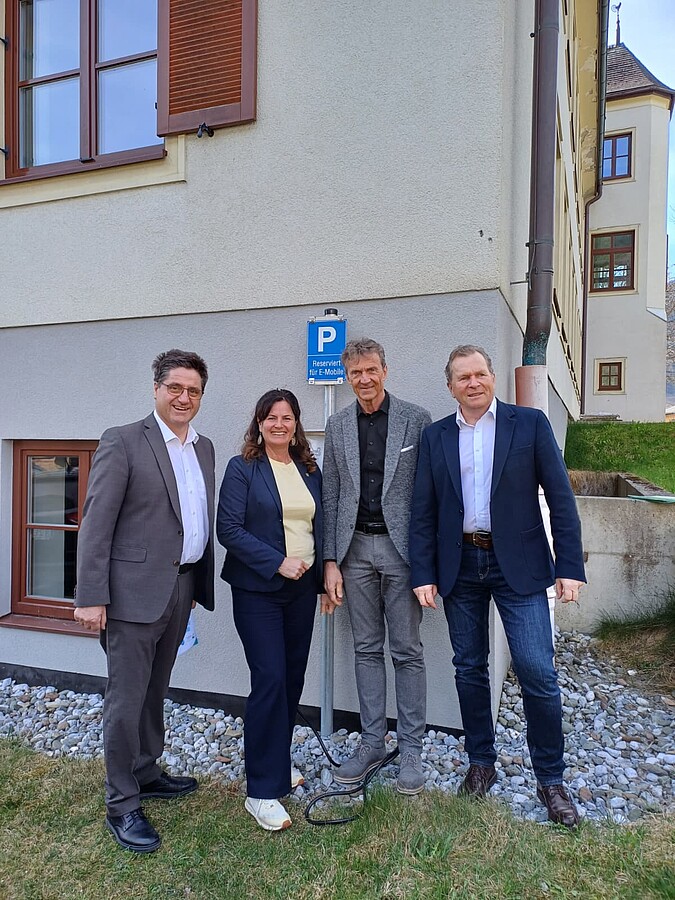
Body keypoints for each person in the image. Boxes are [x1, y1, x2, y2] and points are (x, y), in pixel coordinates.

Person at [409, 345, 586, 827]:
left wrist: (569, 566)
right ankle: (481, 764)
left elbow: (561, 498)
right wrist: (423, 573)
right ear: (450, 386)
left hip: (520, 566)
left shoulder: (528, 425)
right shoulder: (435, 436)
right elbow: (423, 511)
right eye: (463, 377)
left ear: (492, 377)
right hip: (460, 564)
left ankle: (551, 780)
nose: (473, 383)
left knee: (537, 671)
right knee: (469, 668)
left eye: (480, 374)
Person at [74, 349, 215, 853]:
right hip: (131, 595)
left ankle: (146, 770)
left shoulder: (203, 447)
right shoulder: (124, 440)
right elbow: (96, 522)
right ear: (156, 389)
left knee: (156, 689)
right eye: (175, 387)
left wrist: (195, 587)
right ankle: (122, 803)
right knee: (126, 698)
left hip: (181, 588)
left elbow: (191, 519)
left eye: (193, 390)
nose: (183, 397)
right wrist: (91, 596)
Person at [322, 338, 432, 794]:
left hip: (400, 551)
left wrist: (427, 563)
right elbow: (330, 494)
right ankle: (371, 742)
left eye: (371, 370)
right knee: (366, 648)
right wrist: (330, 561)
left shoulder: (416, 419)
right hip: (354, 552)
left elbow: (428, 494)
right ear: (347, 377)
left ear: (385, 370)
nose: (364, 379)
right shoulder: (337, 425)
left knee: (406, 650)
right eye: (355, 372)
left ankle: (411, 750)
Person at [217, 389, 324, 831]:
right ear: (259, 423)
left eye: (287, 417)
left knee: (292, 679)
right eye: (271, 418)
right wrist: (277, 561)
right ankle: (261, 792)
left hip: (303, 591)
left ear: (296, 424)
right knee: (270, 679)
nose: (279, 424)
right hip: (258, 591)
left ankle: (277, 762)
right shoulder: (242, 468)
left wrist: (325, 577)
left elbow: (319, 525)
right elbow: (228, 529)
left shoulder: (308, 469)